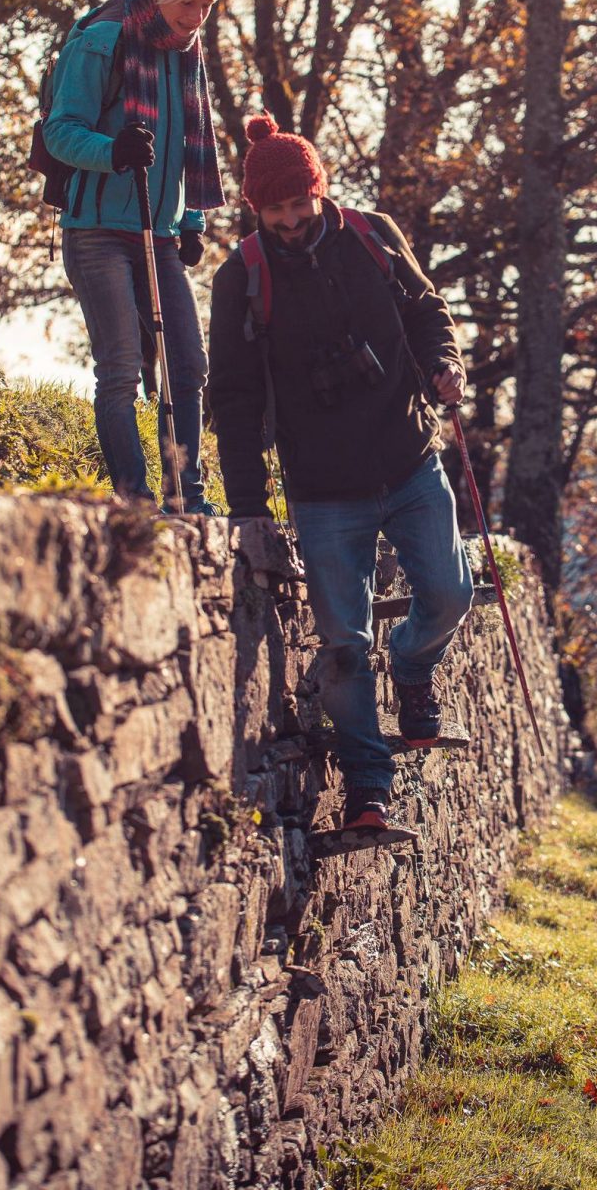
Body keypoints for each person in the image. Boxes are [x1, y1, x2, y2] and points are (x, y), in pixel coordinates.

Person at [208, 115, 474, 830]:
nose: (292, 220)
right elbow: (231, 397)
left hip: (410, 457)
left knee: (450, 594)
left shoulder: (372, 234)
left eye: (302, 203)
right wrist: (248, 503)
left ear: (319, 191)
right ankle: (367, 788)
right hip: (322, 489)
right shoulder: (241, 279)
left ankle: (414, 667)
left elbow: (426, 310)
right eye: (276, 210)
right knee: (344, 647)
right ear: (254, 209)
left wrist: (444, 363)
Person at [44, 0, 226, 513]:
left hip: (161, 234)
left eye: (208, 5)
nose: (199, 16)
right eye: (192, 3)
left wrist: (192, 221)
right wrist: (112, 151)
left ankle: (187, 495)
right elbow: (60, 132)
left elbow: (190, 142)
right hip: (96, 231)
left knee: (188, 366)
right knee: (121, 369)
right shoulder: (103, 38)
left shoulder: (185, 51)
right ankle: (135, 499)